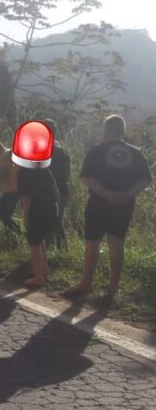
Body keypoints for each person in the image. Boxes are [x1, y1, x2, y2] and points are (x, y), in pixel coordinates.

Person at [66, 114, 152, 302]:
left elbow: (86, 178)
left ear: (105, 131)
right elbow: (145, 179)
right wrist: (126, 194)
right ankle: (112, 289)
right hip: (123, 206)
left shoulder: (96, 150)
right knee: (116, 244)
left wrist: (106, 194)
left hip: (97, 204)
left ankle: (86, 283)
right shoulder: (136, 153)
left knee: (92, 243)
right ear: (122, 131)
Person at [17, 163, 60, 289]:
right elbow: (55, 188)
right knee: (40, 239)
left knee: (34, 242)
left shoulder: (22, 173)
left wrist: (25, 217)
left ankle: (38, 277)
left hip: (37, 210)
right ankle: (43, 269)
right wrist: (57, 206)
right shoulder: (43, 168)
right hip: (50, 208)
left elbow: (26, 198)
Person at [42, 118, 71, 247]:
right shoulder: (62, 149)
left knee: (47, 220)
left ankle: (51, 250)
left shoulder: (44, 148)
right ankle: (61, 249)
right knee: (56, 220)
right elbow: (66, 174)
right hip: (63, 189)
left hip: (48, 191)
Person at [0, 137, 21, 234]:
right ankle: (13, 232)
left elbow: (3, 173)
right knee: (0, 213)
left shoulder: (3, 156)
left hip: (12, 190)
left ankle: (18, 233)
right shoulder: (7, 153)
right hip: (11, 190)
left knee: (3, 214)